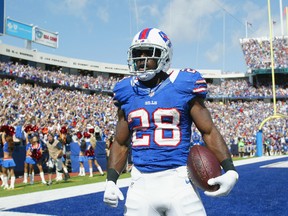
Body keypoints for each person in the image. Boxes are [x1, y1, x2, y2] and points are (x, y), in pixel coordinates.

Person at [103, 28, 239, 215]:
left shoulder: (184, 83)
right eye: (137, 54)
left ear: (164, 56)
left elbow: (208, 130)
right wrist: (111, 180)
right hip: (140, 183)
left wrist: (230, 170)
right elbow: (120, 142)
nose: (141, 59)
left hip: (179, 180)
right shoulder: (126, 90)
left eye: (148, 53)